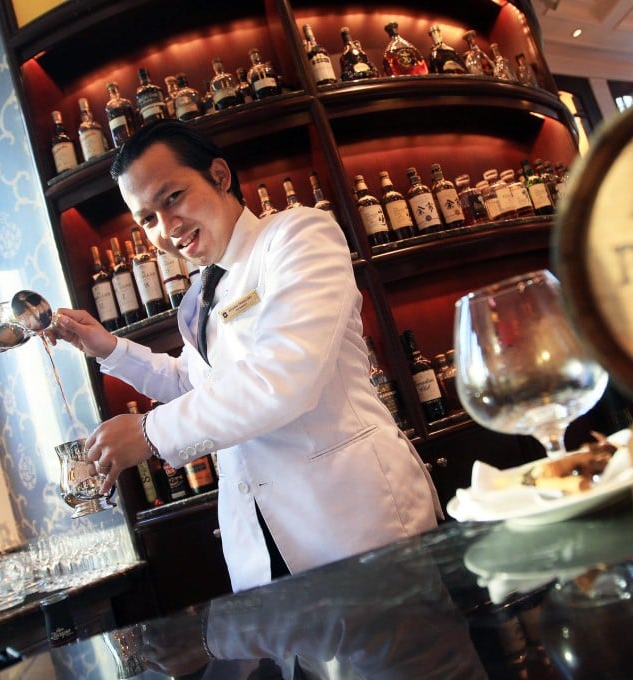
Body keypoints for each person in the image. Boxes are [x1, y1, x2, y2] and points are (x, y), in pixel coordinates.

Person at [46, 119, 442, 591]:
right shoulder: (201, 291)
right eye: (147, 219)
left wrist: (150, 433)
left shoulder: (298, 235)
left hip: (355, 520)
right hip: (261, 539)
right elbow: (196, 385)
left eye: (172, 198)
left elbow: (283, 377)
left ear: (218, 175)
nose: (166, 230)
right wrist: (107, 348)